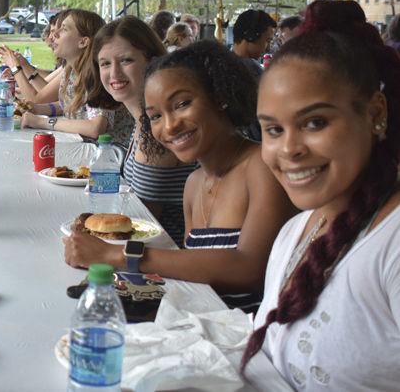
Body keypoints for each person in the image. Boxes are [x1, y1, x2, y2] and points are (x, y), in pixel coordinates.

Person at [64, 41, 296, 313]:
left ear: (220, 95)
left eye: (183, 104)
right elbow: (195, 271)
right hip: (202, 323)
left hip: (249, 340)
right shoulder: (193, 184)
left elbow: (249, 268)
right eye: (156, 116)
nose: (170, 125)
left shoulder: (261, 166)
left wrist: (116, 255)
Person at [242, 0, 400, 390]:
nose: (289, 149)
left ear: (376, 113)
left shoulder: (393, 244)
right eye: (273, 130)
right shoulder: (294, 231)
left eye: (315, 122)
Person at [88, 15, 197, 243]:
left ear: (152, 61)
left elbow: (141, 224)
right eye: (105, 63)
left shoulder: (160, 129)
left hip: (162, 253)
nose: (114, 73)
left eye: (126, 60)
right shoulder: (143, 119)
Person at [21, 9, 133, 145]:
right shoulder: (71, 71)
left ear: (83, 42)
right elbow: (77, 106)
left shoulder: (96, 74)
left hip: (112, 155)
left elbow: (96, 127)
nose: (54, 34)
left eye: (64, 29)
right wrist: (40, 109)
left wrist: (42, 122)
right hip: (86, 148)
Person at [232, 9, 277, 81]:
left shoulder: (219, 64)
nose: (268, 48)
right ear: (251, 36)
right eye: (267, 41)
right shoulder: (253, 71)